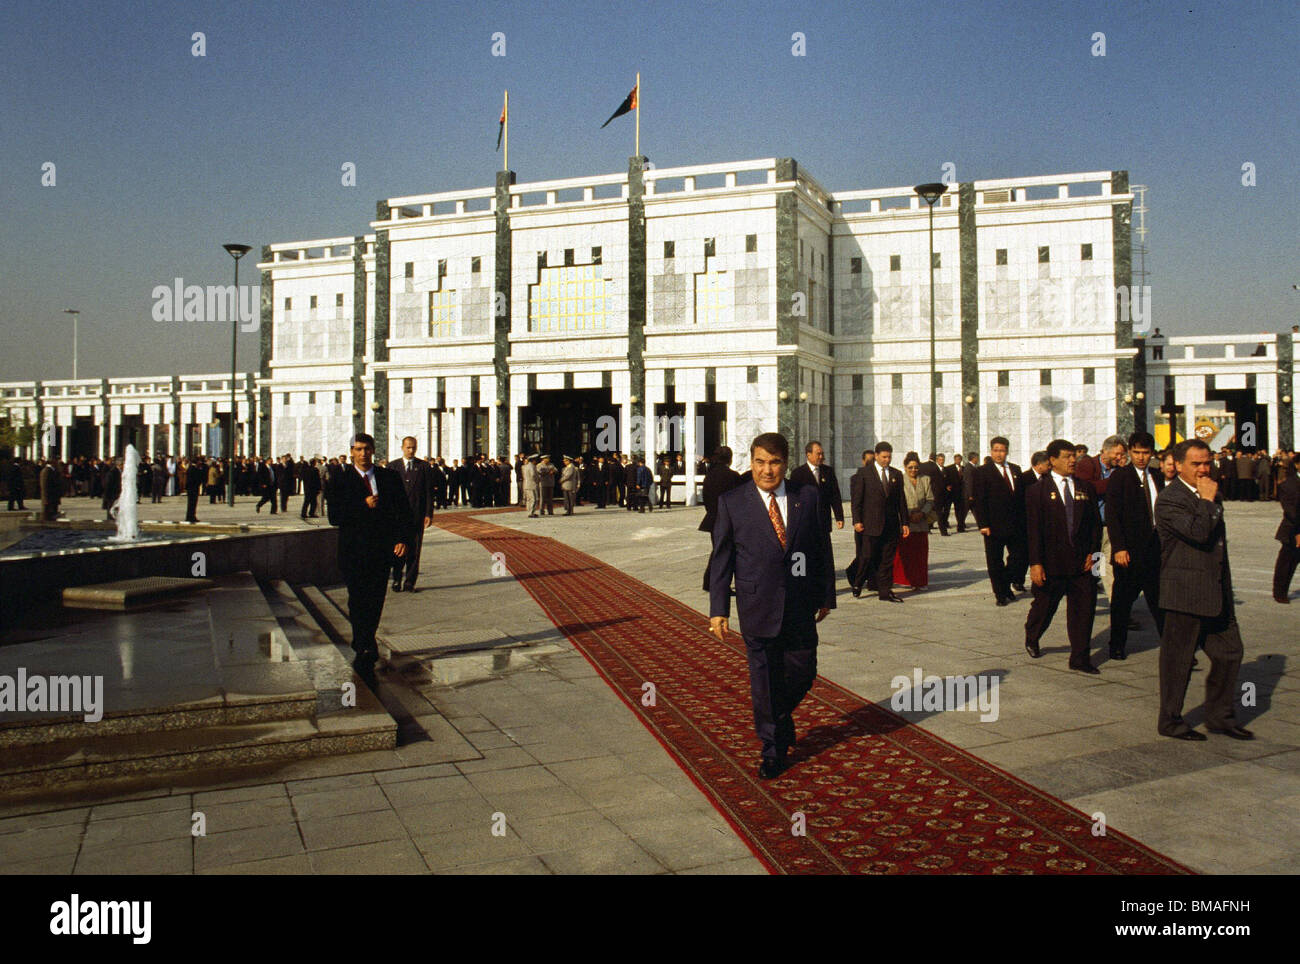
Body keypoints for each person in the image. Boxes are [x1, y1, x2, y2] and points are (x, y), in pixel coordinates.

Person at [708, 432, 835, 779]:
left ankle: (778, 719)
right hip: (756, 605)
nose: (767, 470)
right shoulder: (733, 502)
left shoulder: (805, 497)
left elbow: (819, 547)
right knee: (763, 682)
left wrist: (826, 595)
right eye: (760, 462)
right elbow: (722, 558)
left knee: (803, 671)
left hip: (799, 606)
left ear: (785, 463)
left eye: (775, 462)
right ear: (750, 462)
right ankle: (773, 749)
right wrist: (719, 608)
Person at [1154, 439, 1250, 741]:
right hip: (1185, 591)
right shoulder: (1170, 498)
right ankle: (1170, 721)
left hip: (1215, 592)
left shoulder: (1209, 492)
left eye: (1207, 462)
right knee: (1177, 662)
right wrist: (1207, 502)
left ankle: (1220, 716)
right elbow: (1198, 533)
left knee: (1230, 653)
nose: (1204, 469)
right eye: (1196, 464)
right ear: (1178, 465)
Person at [326, 433, 415, 674]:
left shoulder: (388, 477)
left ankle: (367, 638)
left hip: (380, 551)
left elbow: (403, 513)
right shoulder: (340, 479)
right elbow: (334, 516)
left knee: (375, 599)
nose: (363, 453)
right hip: (353, 551)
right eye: (358, 449)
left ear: (373, 451)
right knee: (357, 598)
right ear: (351, 452)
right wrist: (362, 505)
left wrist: (402, 539)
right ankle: (362, 642)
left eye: (367, 449)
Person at [1023, 439, 1102, 673]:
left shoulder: (1085, 488)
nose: (1072, 460)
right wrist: (1035, 563)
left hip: (1082, 563)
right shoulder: (1036, 491)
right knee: (1045, 606)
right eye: (1067, 456)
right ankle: (1032, 635)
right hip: (1051, 563)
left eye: (1073, 456)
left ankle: (1080, 657)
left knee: (1084, 610)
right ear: (1052, 460)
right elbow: (1033, 531)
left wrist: (1094, 555)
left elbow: (1095, 526)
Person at [1106, 431, 1165, 660]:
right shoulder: (1120, 477)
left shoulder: (1157, 477)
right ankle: (1117, 645)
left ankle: (1173, 648)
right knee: (1122, 603)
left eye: (1146, 453)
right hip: (1128, 552)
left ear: (1152, 454)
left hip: (1154, 551)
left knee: (1160, 604)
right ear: (1130, 452)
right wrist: (1119, 547)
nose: (1141, 457)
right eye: (1137, 452)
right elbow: (1113, 515)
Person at [850, 441, 909, 602]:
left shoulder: (896, 474)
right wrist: (857, 521)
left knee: (887, 560)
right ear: (876, 456)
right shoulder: (864, 473)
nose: (887, 460)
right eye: (884, 457)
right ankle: (858, 582)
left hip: (891, 525)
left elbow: (900, 501)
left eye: (889, 457)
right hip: (870, 524)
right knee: (867, 556)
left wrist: (904, 522)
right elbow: (857, 500)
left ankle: (884, 592)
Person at [972, 437, 1028, 606]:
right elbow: (979, 500)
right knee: (995, 561)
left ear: (1007, 451)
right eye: (995, 450)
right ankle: (1000, 594)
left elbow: (1021, 498)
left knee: (1019, 557)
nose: (999, 454)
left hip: (1015, 524)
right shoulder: (982, 471)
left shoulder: (1016, 470)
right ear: (991, 451)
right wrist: (983, 524)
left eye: (1002, 450)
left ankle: (1005, 584)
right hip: (993, 525)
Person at [391, 437, 434, 593]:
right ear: (402, 447)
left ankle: (410, 582)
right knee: (398, 549)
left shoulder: (423, 467)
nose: (411, 451)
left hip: (416, 515)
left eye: (413, 448)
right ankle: (396, 578)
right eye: (408, 447)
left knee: (414, 550)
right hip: (397, 517)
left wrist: (429, 513)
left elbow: (428, 492)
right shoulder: (393, 466)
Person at [699, 446, 743, 591]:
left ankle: (710, 582)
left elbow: (705, 498)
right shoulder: (732, 476)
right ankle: (715, 583)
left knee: (718, 550)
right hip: (728, 519)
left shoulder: (709, 475)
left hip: (713, 518)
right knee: (726, 552)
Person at [895, 456, 935, 588]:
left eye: (916, 467)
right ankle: (904, 580)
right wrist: (907, 515)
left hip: (921, 522)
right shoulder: (900, 479)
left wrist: (922, 513)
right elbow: (897, 500)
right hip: (906, 521)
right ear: (905, 467)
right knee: (905, 553)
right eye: (910, 467)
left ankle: (919, 581)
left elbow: (930, 500)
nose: (913, 470)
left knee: (920, 554)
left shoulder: (925, 479)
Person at [1273, 459, 1299, 603]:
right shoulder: (1288, 485)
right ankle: (1280, 593)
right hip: (1292, 530)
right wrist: (1298, 532)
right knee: (1286, 564)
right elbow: (1291, 511)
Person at [918, 453, 948, 536]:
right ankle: (943, 531)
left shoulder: (924, 466)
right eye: (940, 460)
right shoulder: (934, 468)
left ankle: (927, 528)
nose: (942, 461)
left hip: (933, 493)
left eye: (943, 460)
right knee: (939, 512)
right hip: (935, 493)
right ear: (936, 460)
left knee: (929, 511)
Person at [941, 454, 963, 533]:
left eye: (959, 459)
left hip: (959, 493)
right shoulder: (949, 468)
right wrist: (946, 486)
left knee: (959, 510)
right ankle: (944, 523)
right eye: (956, 459)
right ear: (954, 460)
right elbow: (944, 479)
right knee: (947, 509)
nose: (958, 461)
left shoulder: (963, 468)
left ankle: (960, 526)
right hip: (950, 493)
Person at [102, 457, 123, 522]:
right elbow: (108, 484)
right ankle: (110, 522)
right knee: (111, 508)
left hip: (117, 493)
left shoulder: (119, 471)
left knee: (116, 508)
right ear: (119, 464)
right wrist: (107, 494)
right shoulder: (112, 472)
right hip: (112, 493)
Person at [184, 455, 203, 523]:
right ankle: (190, 516)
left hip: (191, 488)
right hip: (193, 488)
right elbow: (197, 478)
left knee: (191, 503)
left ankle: (190, 516)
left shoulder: (190, 468)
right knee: (192, 503)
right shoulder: (194, 469)